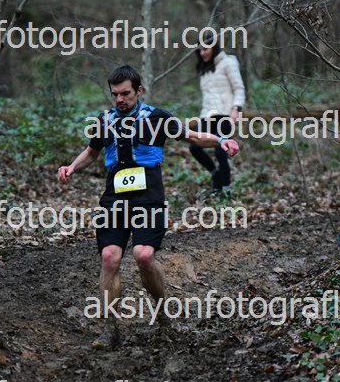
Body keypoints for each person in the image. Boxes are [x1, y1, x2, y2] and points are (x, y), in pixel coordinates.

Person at [57, 65, 239, 349]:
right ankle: (109, 328)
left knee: (143, 255)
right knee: (109, 257)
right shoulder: (104, 120)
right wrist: (71, 167)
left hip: (148, 196)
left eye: (125, 93)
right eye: (115, 94)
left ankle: (163, 313)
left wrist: (221, 140)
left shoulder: (157, 117)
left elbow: (192, 136)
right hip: (115, 197)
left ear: (138, 91)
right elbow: (92, 152)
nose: (120, 99)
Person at [189, 35, 246, 194]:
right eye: (200, 50)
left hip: (225, 115)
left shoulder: (228, 62)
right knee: (194, 147)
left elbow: (239, 88)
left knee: (221, 151)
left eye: (205, 49)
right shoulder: (204, 69)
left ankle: (225, 191)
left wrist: (235, 109)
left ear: (214, 48)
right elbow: (207, 97)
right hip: (207, 116)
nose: (202, 53)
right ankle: (216, 175)